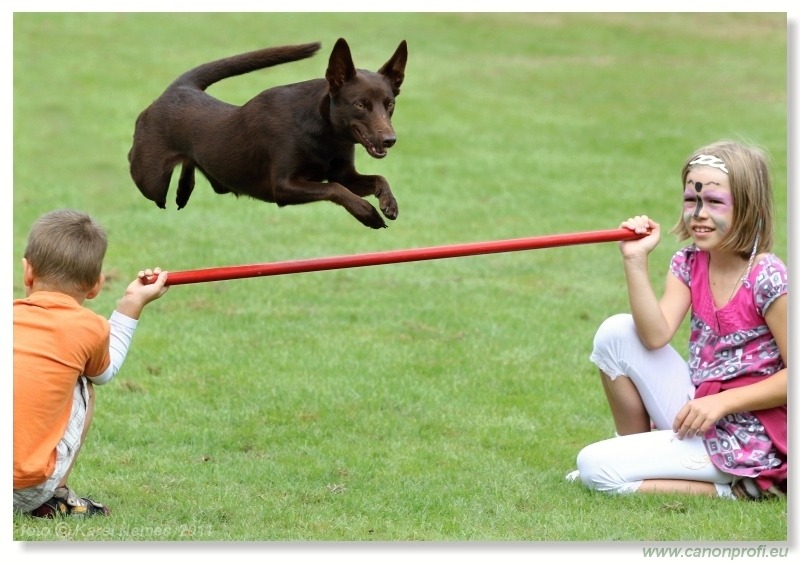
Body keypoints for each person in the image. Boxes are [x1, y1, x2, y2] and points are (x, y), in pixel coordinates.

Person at [570, 140, 787, 500]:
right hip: (699, 408)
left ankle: (739, 489)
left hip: (746, 435)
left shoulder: (768, 276)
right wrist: (634, 260)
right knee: (615, 333)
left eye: (714, 202)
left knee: (594, 468)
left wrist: (721, 403)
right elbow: (654, 336)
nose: (699, 213)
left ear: (749, 208)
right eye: (691, 200)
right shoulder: (689, 262)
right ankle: (637, 451)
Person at [13, 209, 170, 517]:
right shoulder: (90, 328)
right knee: (84, 381)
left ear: (27, 272)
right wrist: (131, 304)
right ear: (96, 285)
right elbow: (104, 373)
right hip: (24, 491)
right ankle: (55, 496)